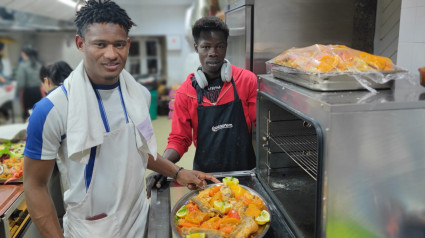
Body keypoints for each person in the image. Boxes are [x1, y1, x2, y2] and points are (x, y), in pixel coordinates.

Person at [23, 1, 219, 238]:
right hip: (91, 229)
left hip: (140, 219)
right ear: (80, 44)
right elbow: (34, 186)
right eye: (100, 44)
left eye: (118, 44)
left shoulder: (136, 94)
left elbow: (135, 149)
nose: (111, 54)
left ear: (128, 44)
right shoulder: (52, 110)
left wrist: (177, 172)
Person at [146, 16, 257, 197]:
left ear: (226, 47)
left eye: (219, 46)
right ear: (197, 47)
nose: (213, 52)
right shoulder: (185, 92)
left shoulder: (246, 81)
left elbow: (258, 128)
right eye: (206, 47)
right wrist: (164, 167)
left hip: (245, 175)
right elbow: (179, 139)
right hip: (205, 178)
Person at [16, 44, 43, 120]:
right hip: (39, 92)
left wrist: (16, 94)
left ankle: (28, 131)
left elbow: (21, 83)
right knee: (37, 113)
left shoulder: (23, 65)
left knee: (28, 115)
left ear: (24, 54)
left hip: (28, 94)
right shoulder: (39, 64)